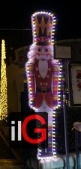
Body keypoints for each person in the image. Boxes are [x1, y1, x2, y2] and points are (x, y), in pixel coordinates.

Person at [25, 12, 60, 156]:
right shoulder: (32, 66)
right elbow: (31, 82)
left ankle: (50, 150)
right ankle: (42, 148)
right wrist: (32, 97)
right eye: (40, 49)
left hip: (50, 97)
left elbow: (56, 83)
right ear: (35, 51)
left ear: (49, 51)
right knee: (41, 122)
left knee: (50, 122)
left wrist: (56, 96)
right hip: (39, 95)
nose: (43, 52)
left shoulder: (54, 66)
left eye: (46, 49)